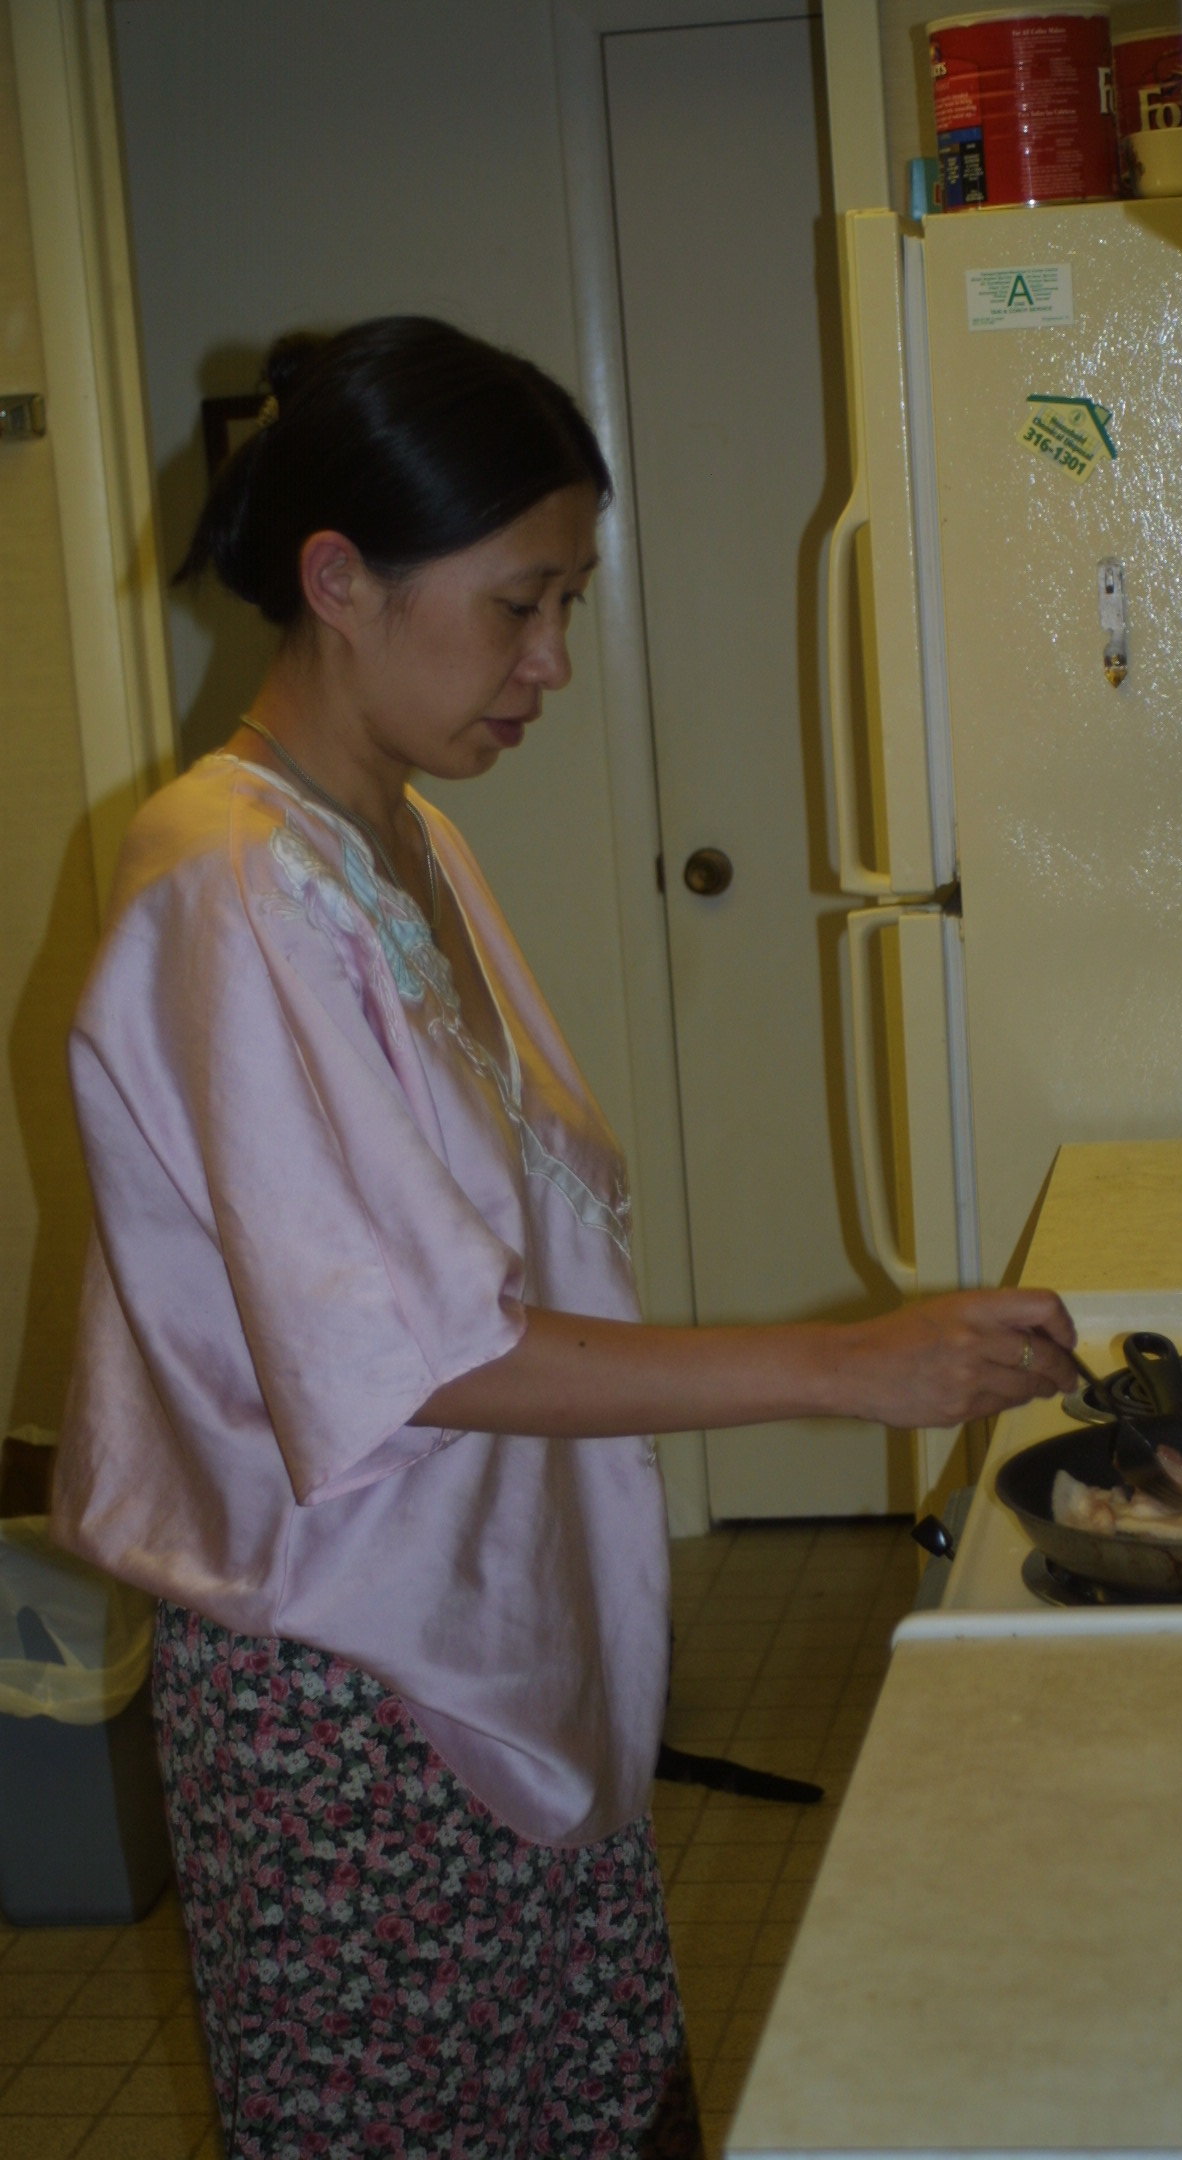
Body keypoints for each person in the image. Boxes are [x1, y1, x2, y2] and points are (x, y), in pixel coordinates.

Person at [51, 315, 1077, 2159]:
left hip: (497, 1623)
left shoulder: (400, 839)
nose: (552, 662)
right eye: (519, 605)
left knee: (583, 2104)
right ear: (339, 580)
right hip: (349, 1691)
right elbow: (420, 1354)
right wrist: (846, 1367)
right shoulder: (230, 886)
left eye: (568, 605)